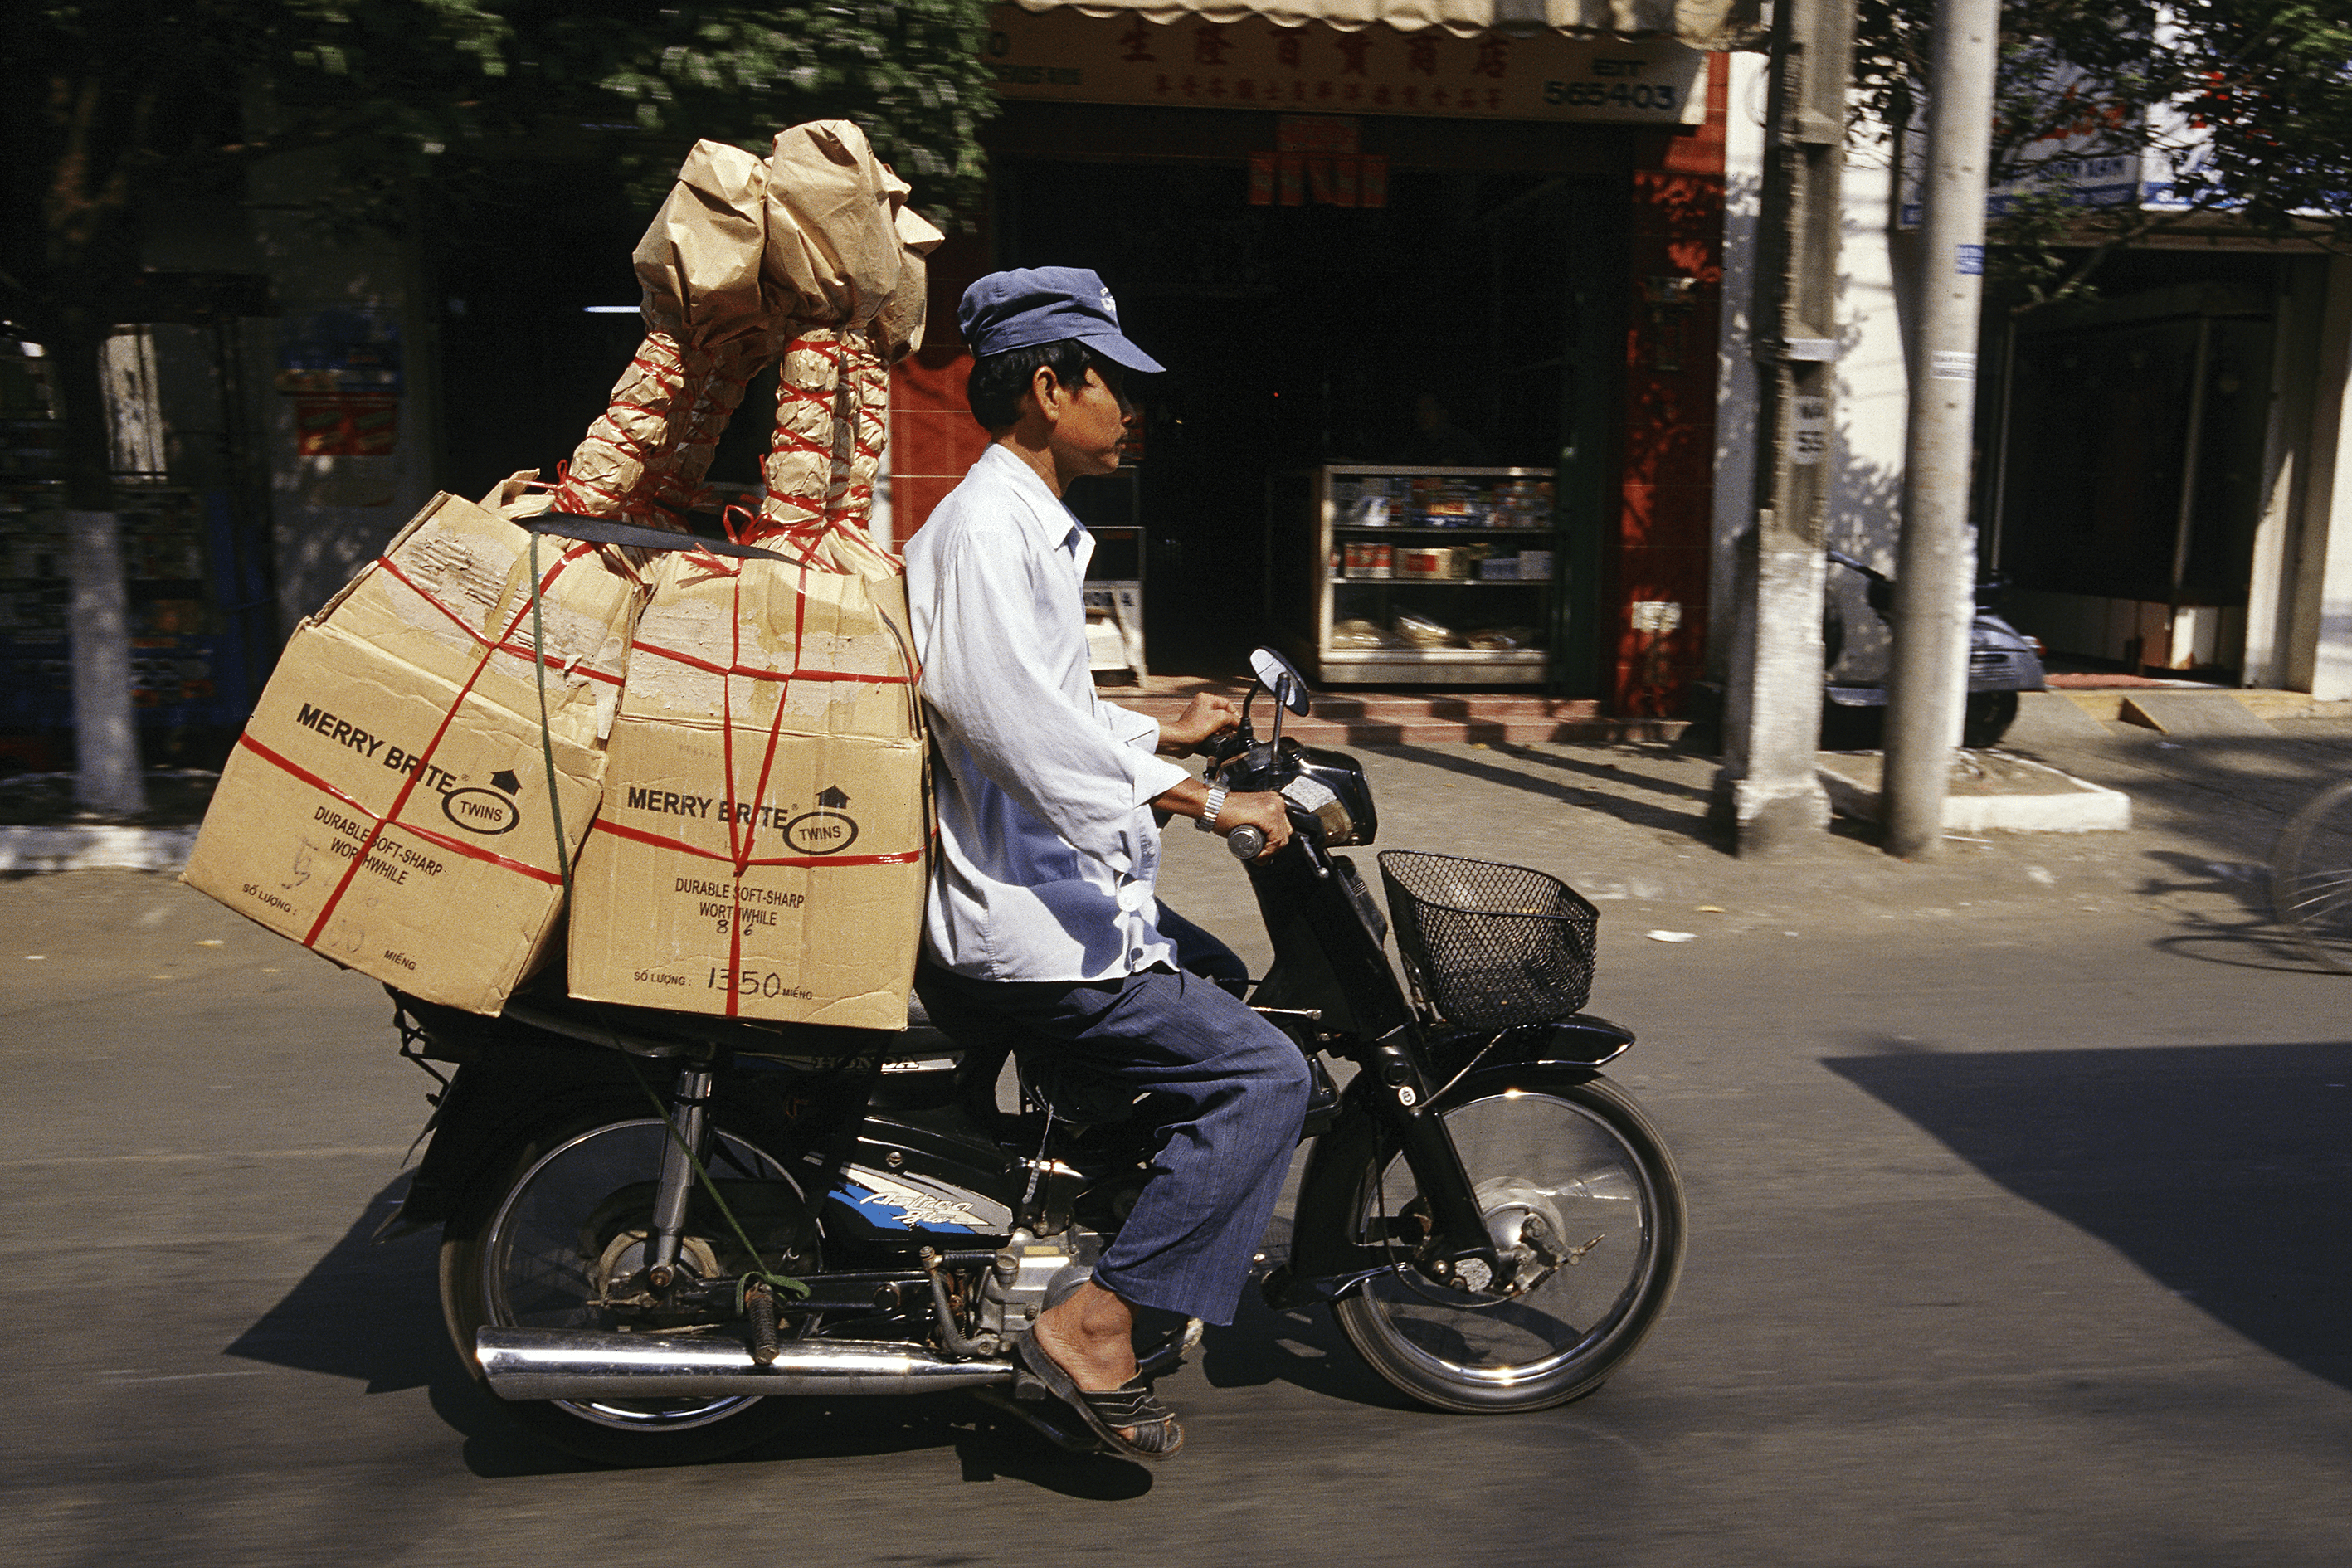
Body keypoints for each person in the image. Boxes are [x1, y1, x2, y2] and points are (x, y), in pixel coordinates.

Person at [903, 267, 1311, 1462]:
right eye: (1114, 385)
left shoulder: (1026, 520)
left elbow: (1047, 705)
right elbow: (1011, 727)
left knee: (1218, 973)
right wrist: (1208, 800)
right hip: (1031, 926)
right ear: (1048, 387)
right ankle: (1094, 1320)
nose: (1133, 411)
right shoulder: (989, 528)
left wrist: (1159, 727)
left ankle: (1093, 1213)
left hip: (1062, 893)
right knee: (1266, 1077)